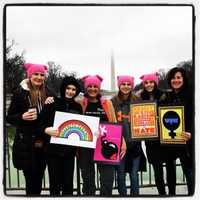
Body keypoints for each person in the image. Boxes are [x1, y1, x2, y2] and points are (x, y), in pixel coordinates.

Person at [6, 63, 54, 196]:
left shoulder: (49, 92)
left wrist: (51, 104)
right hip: (26, 143)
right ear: (30, 75)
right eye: (36, 74)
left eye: (42, 75)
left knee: (39, 177)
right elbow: (9, 117)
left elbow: (54, 114)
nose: (39, 77)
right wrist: (22, 116)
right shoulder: (20, 93)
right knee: (30, 179)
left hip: (43, 142)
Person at [78, 75, 126, 196]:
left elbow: (114, 123)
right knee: (88, 181)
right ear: (86, 88)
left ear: (99, 88)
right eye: (90, 86)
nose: (92, 89)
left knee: (107, 180)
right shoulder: (80, 103)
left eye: (95, 86)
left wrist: (122, 141)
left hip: (105, 146)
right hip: (86, 147)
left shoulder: (107, 103)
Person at [39, 75, 83, 196]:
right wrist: (47, 130)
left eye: (73, 89)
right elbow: (40, 124)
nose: (70, 91)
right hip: (53, 151)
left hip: (69, 153)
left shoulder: (78, 107)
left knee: (68, 184)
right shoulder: (52, 102)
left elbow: (81, 127)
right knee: (55, 184)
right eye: (68, 88)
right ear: (64, 88)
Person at [138, 72, 176, 195]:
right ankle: (162, 194)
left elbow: (172, 113)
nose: (149, 84)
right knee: (157, 171)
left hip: (166, 137)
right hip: (151, 140)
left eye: (151, 82)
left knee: (171, 168)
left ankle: (172, 193)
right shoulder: (140, 98)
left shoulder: (166, 95)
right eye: (146, 82)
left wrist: (162, 118)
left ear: (155, 82)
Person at [160, 67, 194, 195]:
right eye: (173, 78)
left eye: (179, 77)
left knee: (189, 172)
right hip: (170, 141)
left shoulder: (192, 94)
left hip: (186, 142)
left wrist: (191, 133)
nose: (176, 80)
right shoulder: (168, 96)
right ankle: (171, 195)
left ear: (184, 79)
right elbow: (161, 114)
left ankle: (192, 194)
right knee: (170, 171)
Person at [111, 75, 146, 196]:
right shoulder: (112, 102)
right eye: (123, 84)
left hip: (135, 144)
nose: (126, 86)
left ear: (131, 85)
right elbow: (110, 122)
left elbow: (145, 121)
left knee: (134, 174)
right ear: (119, 85)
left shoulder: (138, 100)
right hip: (119, 144)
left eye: (128, 84)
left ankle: (135, 196)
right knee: (120, 174)